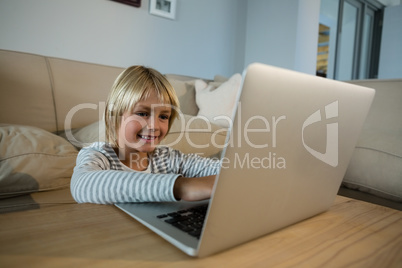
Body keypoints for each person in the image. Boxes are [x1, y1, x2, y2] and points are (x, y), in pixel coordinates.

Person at [70, 66, 221, 204]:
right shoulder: (99, 155)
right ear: (114, 116)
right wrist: (180, 186)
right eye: (142, 113)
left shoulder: (169, 159)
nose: (154, 126)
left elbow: (225, 171)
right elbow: (81, 184)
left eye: (163, 116)